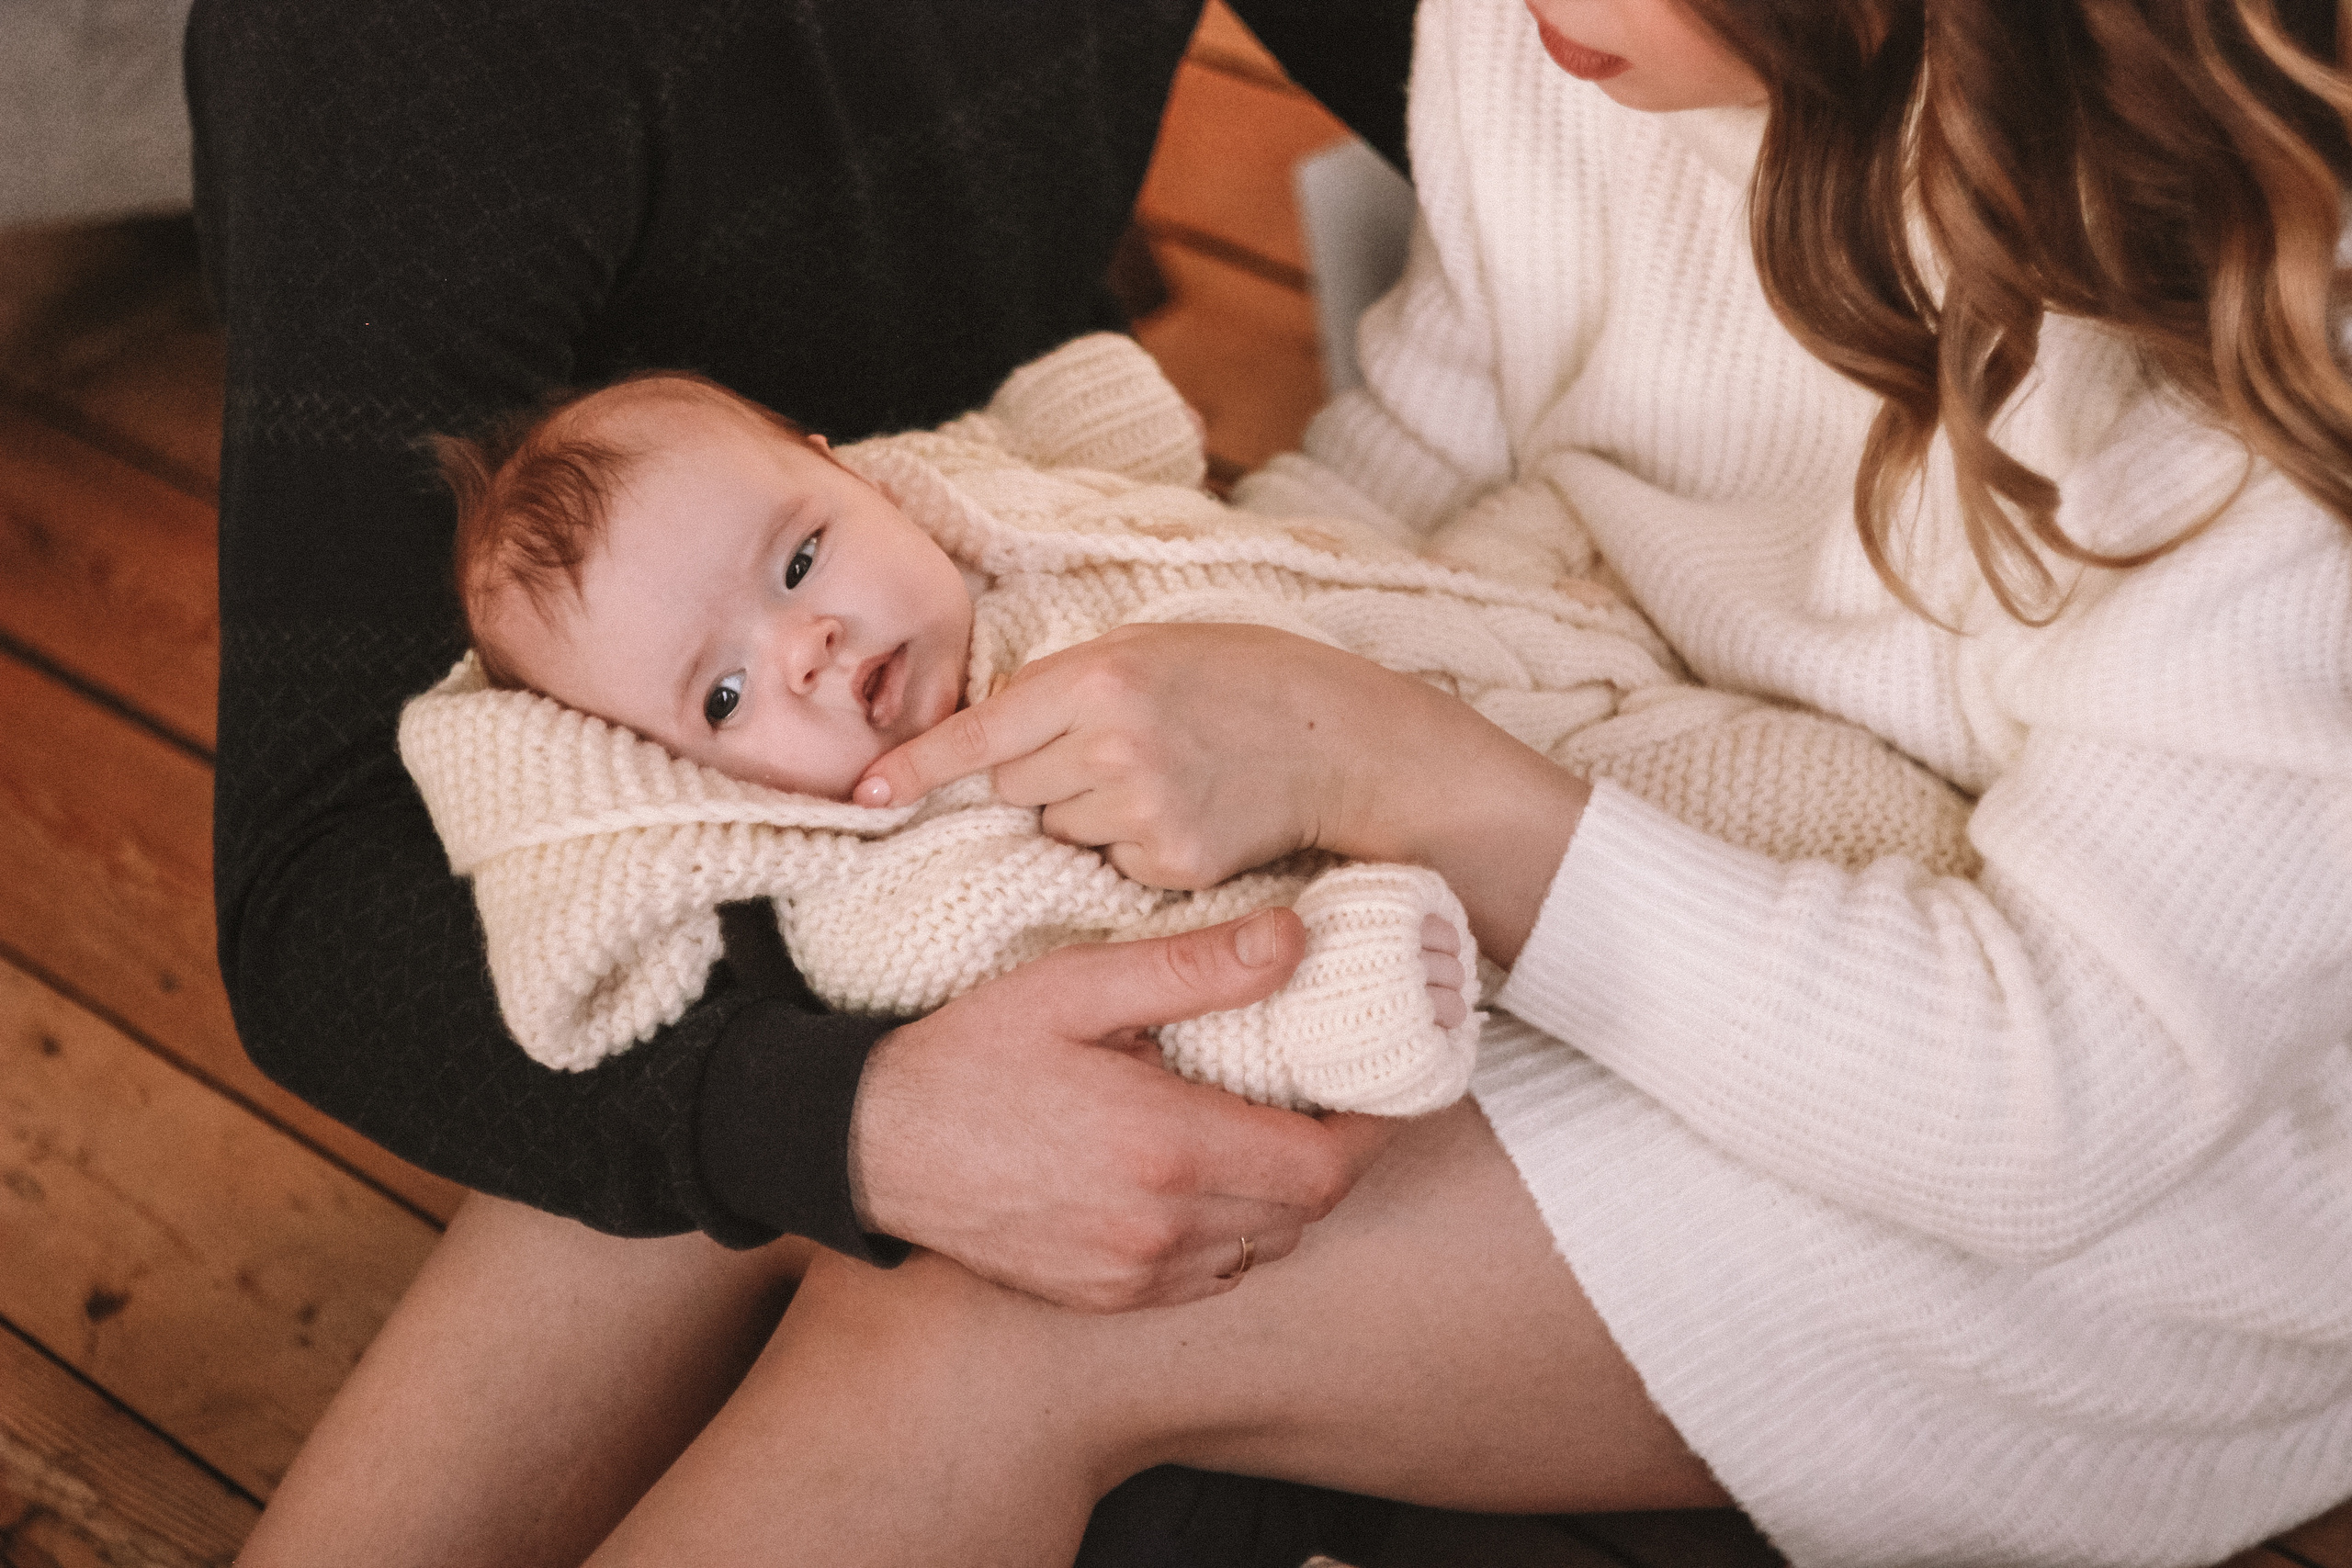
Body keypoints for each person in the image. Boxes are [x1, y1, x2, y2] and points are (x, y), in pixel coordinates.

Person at [231, 0, 2352, 1565]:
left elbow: (2047, 1099)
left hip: (2113, 1153)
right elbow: (1399, 482)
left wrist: (1380, 760)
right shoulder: (1577, 55)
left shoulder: (2254, 379)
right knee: (778, 974)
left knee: (994, 1324)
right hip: (1592, 808)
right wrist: (1092, 707)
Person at [395, 332, 1967, 1108]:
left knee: (1679, 596)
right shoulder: (905, 885)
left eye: (800, 555)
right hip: (1516, 860)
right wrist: (1337, 993)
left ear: (849, 470)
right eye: (726, 691)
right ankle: (1957, 945)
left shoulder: (972, 535)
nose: (806, 642)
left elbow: (1108, 468)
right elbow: (1143, 999)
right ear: (682, 777)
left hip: (1492, 634)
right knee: (1843, 842)